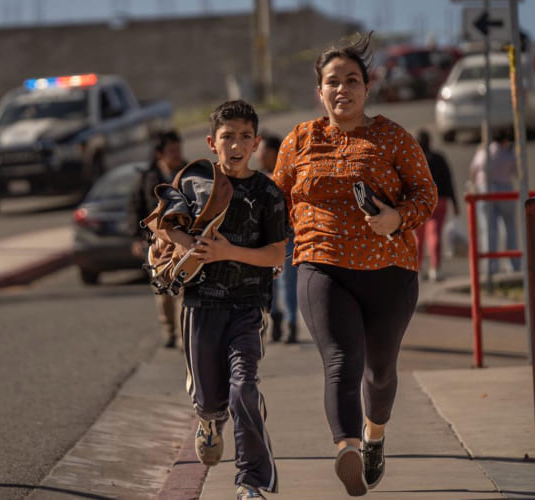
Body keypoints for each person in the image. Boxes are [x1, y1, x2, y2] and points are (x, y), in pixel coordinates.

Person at [272, 33, 436, 496]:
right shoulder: (299, 140)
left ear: (366, 88)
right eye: (332, 81)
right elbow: (274, 201)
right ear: (319, 92)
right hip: (320, 264)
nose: (341, 89)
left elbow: (426, 193)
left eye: (351, 80)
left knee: (379, 372)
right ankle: (346, 447)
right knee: (342, 360)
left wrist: (396, 217)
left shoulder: (392, 137)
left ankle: (373, 435)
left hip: (390, 271)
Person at [149, 100, 286, 499]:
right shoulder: (194, 181)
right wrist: (184, 242)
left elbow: (276, 255)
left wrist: (229, 252)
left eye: (245, 137)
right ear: (212, 142)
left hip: (248, 307)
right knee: (210, 399)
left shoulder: (268, 193)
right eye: (228, 137)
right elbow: (160, 223)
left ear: (256, 143)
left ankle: (251, 481)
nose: (236, 145)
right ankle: (209, 422)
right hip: (201, 306)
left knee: (244, 389)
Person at [129, 130, 187, 348]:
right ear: (160, 153)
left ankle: (183, 334)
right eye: (172, 151)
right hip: (155, 244)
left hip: (182, 242)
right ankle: (168, 330)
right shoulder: (148, 178)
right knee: (162, 290)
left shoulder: (189, 173)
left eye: (178, 149)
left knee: (182, 288)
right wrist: (137, 238)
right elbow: (135, 208)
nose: (177, 154)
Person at [256, 133, 299, 343]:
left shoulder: (288, 178)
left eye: (262, 151)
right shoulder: (257, 179)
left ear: (274, 153)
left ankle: (292, 324)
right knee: (268, 284)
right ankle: (275, 319)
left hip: (286, 239)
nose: (258, 155)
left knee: (287, 283)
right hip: (265, 241)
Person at [469, 129, 520, 274]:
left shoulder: (483, 152)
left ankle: (491, 265)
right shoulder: (507, 153)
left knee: (488, 230)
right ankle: (513, 263)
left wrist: (474, 185)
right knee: (510, 228)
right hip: (505, 190)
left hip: (485, 190)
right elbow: (516, 171)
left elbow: (473, 170)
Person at [414, 128, 459, 282]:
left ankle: (418, 269)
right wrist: (455, 202)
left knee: (418, 237)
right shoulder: (439, 158)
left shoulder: (414, 159)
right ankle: (435, 269)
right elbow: (448, 180)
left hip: (418, 202)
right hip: (439, 200)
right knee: (435, 235)